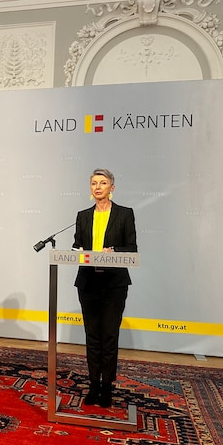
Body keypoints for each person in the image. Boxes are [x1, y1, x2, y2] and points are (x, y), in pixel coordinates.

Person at [72, 168, 137, 407]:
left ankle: (107, 386)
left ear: (112, 187)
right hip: (88, 282)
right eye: (93, 183)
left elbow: (131, 247)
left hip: (114, 284)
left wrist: (114, 251)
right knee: (92, 335)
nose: (98, 187)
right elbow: (78, 245)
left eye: (103, 183)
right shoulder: (82, 216)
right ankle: (93, 385)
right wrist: (76, 250)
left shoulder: (125, 214)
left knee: (109, 335)